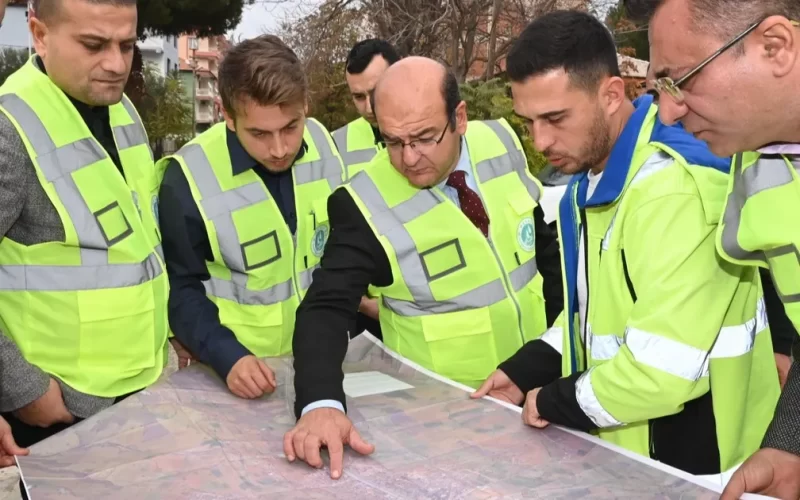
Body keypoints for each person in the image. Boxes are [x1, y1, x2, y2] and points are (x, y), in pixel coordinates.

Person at [473, 11, 780, 484]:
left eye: (555, 118)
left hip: (699, 466)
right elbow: (599, 315)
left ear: (612, 94)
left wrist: (551, 399)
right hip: (626, 457)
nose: (540, 141)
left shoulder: (673, 189)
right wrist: (527, 367)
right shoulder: (590, 183)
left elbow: (660, 371)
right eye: (528, 121)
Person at [283, 55, 563, 479]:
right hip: (442, 422)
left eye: (425, 138)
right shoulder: (363, 203)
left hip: (541, 390)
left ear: (460, 117)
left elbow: (547, 258)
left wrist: (563, 353)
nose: (409, 158)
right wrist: (320, 403)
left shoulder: (503, 144)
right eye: (392, 141)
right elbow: (324, 308)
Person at [623, 0, 800, 497]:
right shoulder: (756, 158)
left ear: (775, 46)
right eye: (659, 89)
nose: (668, 110)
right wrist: (791, 443)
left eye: (680, 80)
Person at [0, 0, 168, 448]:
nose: (116, 64)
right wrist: (22, 389)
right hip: (58, 410)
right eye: (94, 45)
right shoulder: (8, 128)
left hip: (137, 386)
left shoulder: (122, 110)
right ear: (40, 35)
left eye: (127, 45)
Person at [156, 35, 346, 400]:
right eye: (259, 133)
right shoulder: (187, 177)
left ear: (305, 105)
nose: (279, 149)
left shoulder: (323, 144)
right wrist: (227, 356)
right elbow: (180, 288)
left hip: (325, 363)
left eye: (291, 127)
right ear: (227, 115)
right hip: (235, 374)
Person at [332, 39, 400, 177]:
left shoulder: (443, 127)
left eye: (376, 92)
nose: (369, 108)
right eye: (359, 97)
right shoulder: (333, 144)